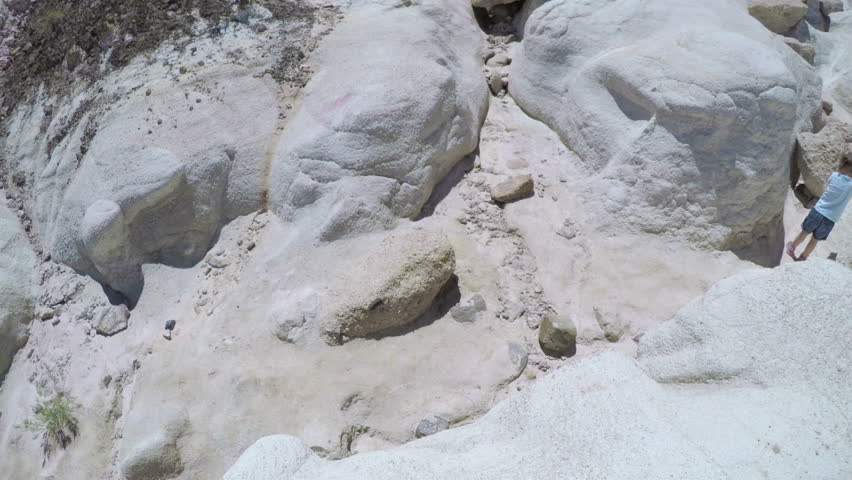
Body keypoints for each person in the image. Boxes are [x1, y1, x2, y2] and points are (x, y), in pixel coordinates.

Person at [787, 149, 852, 261]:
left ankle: (792, 247)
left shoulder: (834, 176)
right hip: (831, 218)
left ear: (841, 164)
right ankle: (803, 257)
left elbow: (831, 182)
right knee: (815, 240)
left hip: (818, 211)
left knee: (804, 232)